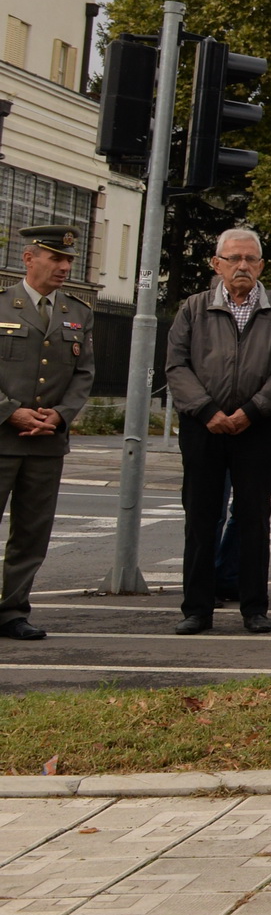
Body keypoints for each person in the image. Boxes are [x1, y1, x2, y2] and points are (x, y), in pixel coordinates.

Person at [166, 228, 271, 635]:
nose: (242, 266)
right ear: (217, 264)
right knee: (201, 517)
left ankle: (255, 608)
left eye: (250, 259)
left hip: (255, 428)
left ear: (261, 265)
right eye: (234, 258)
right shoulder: (193, 307)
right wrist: (207, 410)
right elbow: (176, 365)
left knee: (254, 518)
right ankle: (197, 610)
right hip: (202, 427)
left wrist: (252, 411)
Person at [0, 225, 95, 641]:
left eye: (69, 259)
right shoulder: (2, 305)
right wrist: (10, 412)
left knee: (32, 532)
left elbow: (84, 374)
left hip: (46, 442)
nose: (64, 266)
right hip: (1, 437)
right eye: (55, 258)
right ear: (29, 258)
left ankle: (12, 611)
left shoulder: (78, 313)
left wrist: (59, 415)